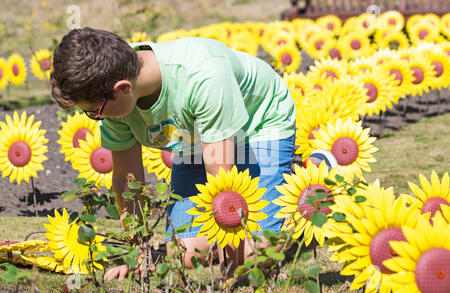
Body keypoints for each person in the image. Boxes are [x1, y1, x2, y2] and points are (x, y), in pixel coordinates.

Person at [49, 27, 296, 280]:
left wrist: (231, 265)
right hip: (197, 138)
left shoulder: (203, 76)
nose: (95, 117)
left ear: (122, 88)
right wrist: (138, 255)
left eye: (94, 111)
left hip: (260, 124)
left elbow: (222, 184)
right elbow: (126, 181)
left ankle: (304, 195)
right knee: (182, 255)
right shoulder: (113, 91)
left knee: (254, 257)